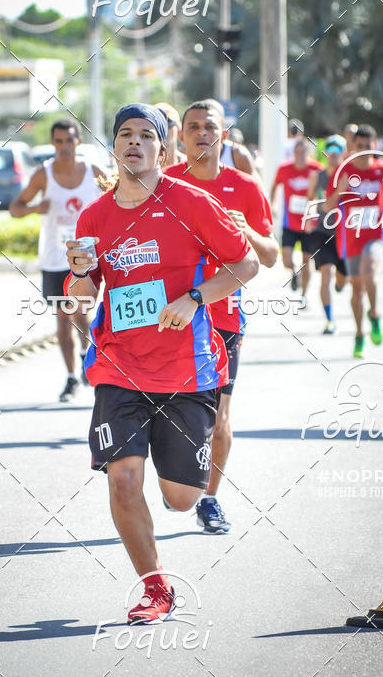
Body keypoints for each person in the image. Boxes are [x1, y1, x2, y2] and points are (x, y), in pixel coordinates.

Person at [66, 104, 259, 624]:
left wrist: (197, 297)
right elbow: (82, 294)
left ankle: (176, 478)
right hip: (119, 369)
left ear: (163, 148)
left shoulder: (192, 203)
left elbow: (247, 264)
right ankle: (155, 586)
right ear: (114, 147)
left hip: (187, 370)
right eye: (124, 134)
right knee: (123, 478)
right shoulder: (95, 218)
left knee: (179, 498)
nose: (134, 142)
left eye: (145, 135)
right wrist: (80, 272)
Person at [165, 100, 278, 533]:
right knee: (170, 408)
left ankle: (209, 499)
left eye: (208, 126)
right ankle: (177, 480)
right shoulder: (166, 182)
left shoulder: (245, 186)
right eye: (191, 126)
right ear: (182, 136)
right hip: (171, 312)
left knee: (220, 413)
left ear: (222, 135)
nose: (199, 133)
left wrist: (244, 229)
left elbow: (270, 257)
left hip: (223, 317)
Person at [10, 118, 105, 401]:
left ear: (78, 142)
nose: (64, 146)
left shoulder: (94, 172)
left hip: (88, 258)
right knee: (64, 318)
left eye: (69, 140)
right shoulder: (44, 175)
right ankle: (72, 377)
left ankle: (87, 354)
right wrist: (36, 207)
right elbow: (15, 207)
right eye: (59, 141)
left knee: (82, 311)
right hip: (55, 258)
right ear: (53, 143)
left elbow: (119, 198)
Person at [324, 124, 383, 358]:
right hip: (351, 238)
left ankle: (374, 315)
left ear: (374, 146)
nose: (364, 151)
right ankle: (359, 334)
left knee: (370, 272)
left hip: (375, 233)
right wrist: (341, 189)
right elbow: (326, 206)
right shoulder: (342, 171)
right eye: (359, 146)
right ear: (352, 147)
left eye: (368, 146)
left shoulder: (382, 169)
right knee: (356, 288)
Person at [306, 135, 348, 333]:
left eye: (338, 150)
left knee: (343, 278)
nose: (333, 154)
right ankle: (330, 320)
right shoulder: (318, 176)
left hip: (346, 233)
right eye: (330, 150)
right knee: (326, 274)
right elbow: (311, 199)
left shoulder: (349, 176)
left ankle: (342, 283)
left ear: (343, 153)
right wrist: (308, 218)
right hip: (322, 231)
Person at [270, 137, 322, 297]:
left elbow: (325, 191)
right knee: (285, 259)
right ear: (293, 153)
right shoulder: (284, 169)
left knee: (307, 262)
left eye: (303, 152)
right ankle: (294, 272)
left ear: (309, 153)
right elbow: (275, 187)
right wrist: (274, 205)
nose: (299, 155)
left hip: (309, 223)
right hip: (289, 223)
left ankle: (304, 295)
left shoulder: (317, 169)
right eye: (296, 152)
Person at [192, 99, 256, 174]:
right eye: (195, 126)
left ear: (223, 133)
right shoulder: (185, 153)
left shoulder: (238, 155)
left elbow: (254, 184)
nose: (202, 132)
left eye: (210, 126)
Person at [154, 101, 184, 167]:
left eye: (168, 123)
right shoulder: (142, 168)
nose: (163, 130)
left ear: (179, 131)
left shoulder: (191, 166)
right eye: (157, 125)